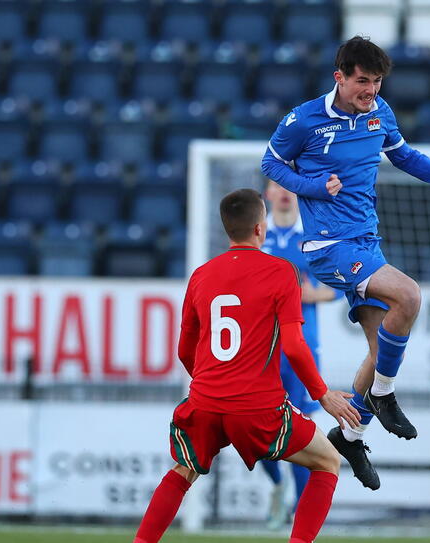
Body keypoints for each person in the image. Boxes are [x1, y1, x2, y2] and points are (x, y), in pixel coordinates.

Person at [260, 35, 430, 490]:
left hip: (367, 244)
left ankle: (351, 434)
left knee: (379, 351)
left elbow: (407, 158)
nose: (370, 91)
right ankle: (383, 395)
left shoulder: (380, 113)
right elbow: (271, 164)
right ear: (339, 77)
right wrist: (314, 187)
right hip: (327, 247)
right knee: (409, 294)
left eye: (377, 82)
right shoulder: (303, 120)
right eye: (362, 82)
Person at [133, 189, 361, 543]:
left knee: (183, 471)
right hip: (257, 406)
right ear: (260, 227)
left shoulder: (201, 275)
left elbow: (183, 350)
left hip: (206, 402)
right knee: (327, 461)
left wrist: (214, 386)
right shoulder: (282, 271)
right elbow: (294, 346)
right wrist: (324, 394)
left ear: (228, 230)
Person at [257, 183, 343, 528]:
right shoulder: (257, 238)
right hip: (262, 348)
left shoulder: (313, 236)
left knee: (300, 431)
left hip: (302, 347)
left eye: (289, 186)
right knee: (261, 432)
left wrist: (310, 295)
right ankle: (277, 486)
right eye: (277, 186)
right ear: (266, 193)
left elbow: (339, 286)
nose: (284, 192)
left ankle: (299, 515)